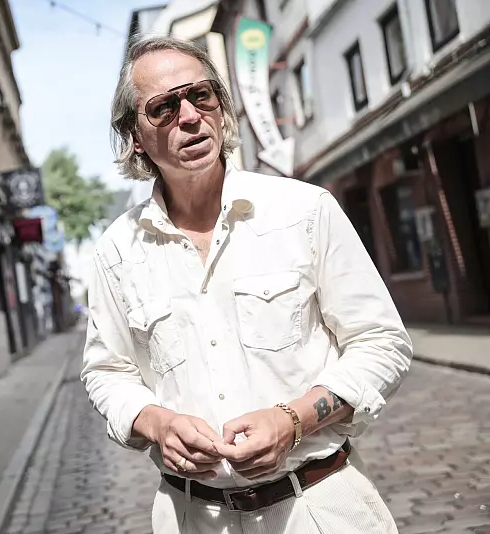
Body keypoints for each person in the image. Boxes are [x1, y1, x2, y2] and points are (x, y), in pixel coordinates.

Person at [81, 35, 413, 534]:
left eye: (201, 96)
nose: (189, 116)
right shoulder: (117, 250)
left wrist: (294, 419)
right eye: (164, 108)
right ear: (135, 135)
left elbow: (382, 341)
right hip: (192, 517)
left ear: (220, 106)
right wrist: (155, 422)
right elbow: (106, 371)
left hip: (319, 507)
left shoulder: (305, 210)